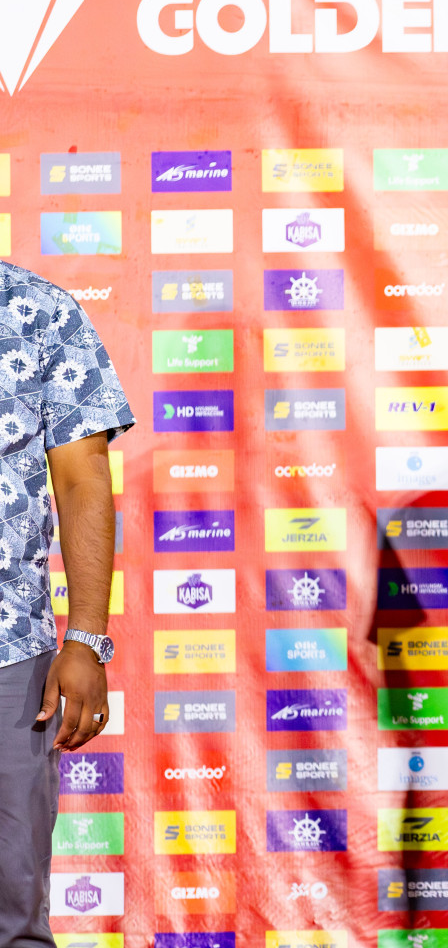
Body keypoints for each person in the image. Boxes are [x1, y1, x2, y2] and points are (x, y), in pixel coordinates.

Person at [0, 261, 133, 948]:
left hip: (9, 654)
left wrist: (85, 639)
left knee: (12, 906)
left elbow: (82, 482)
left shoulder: (37, 309)